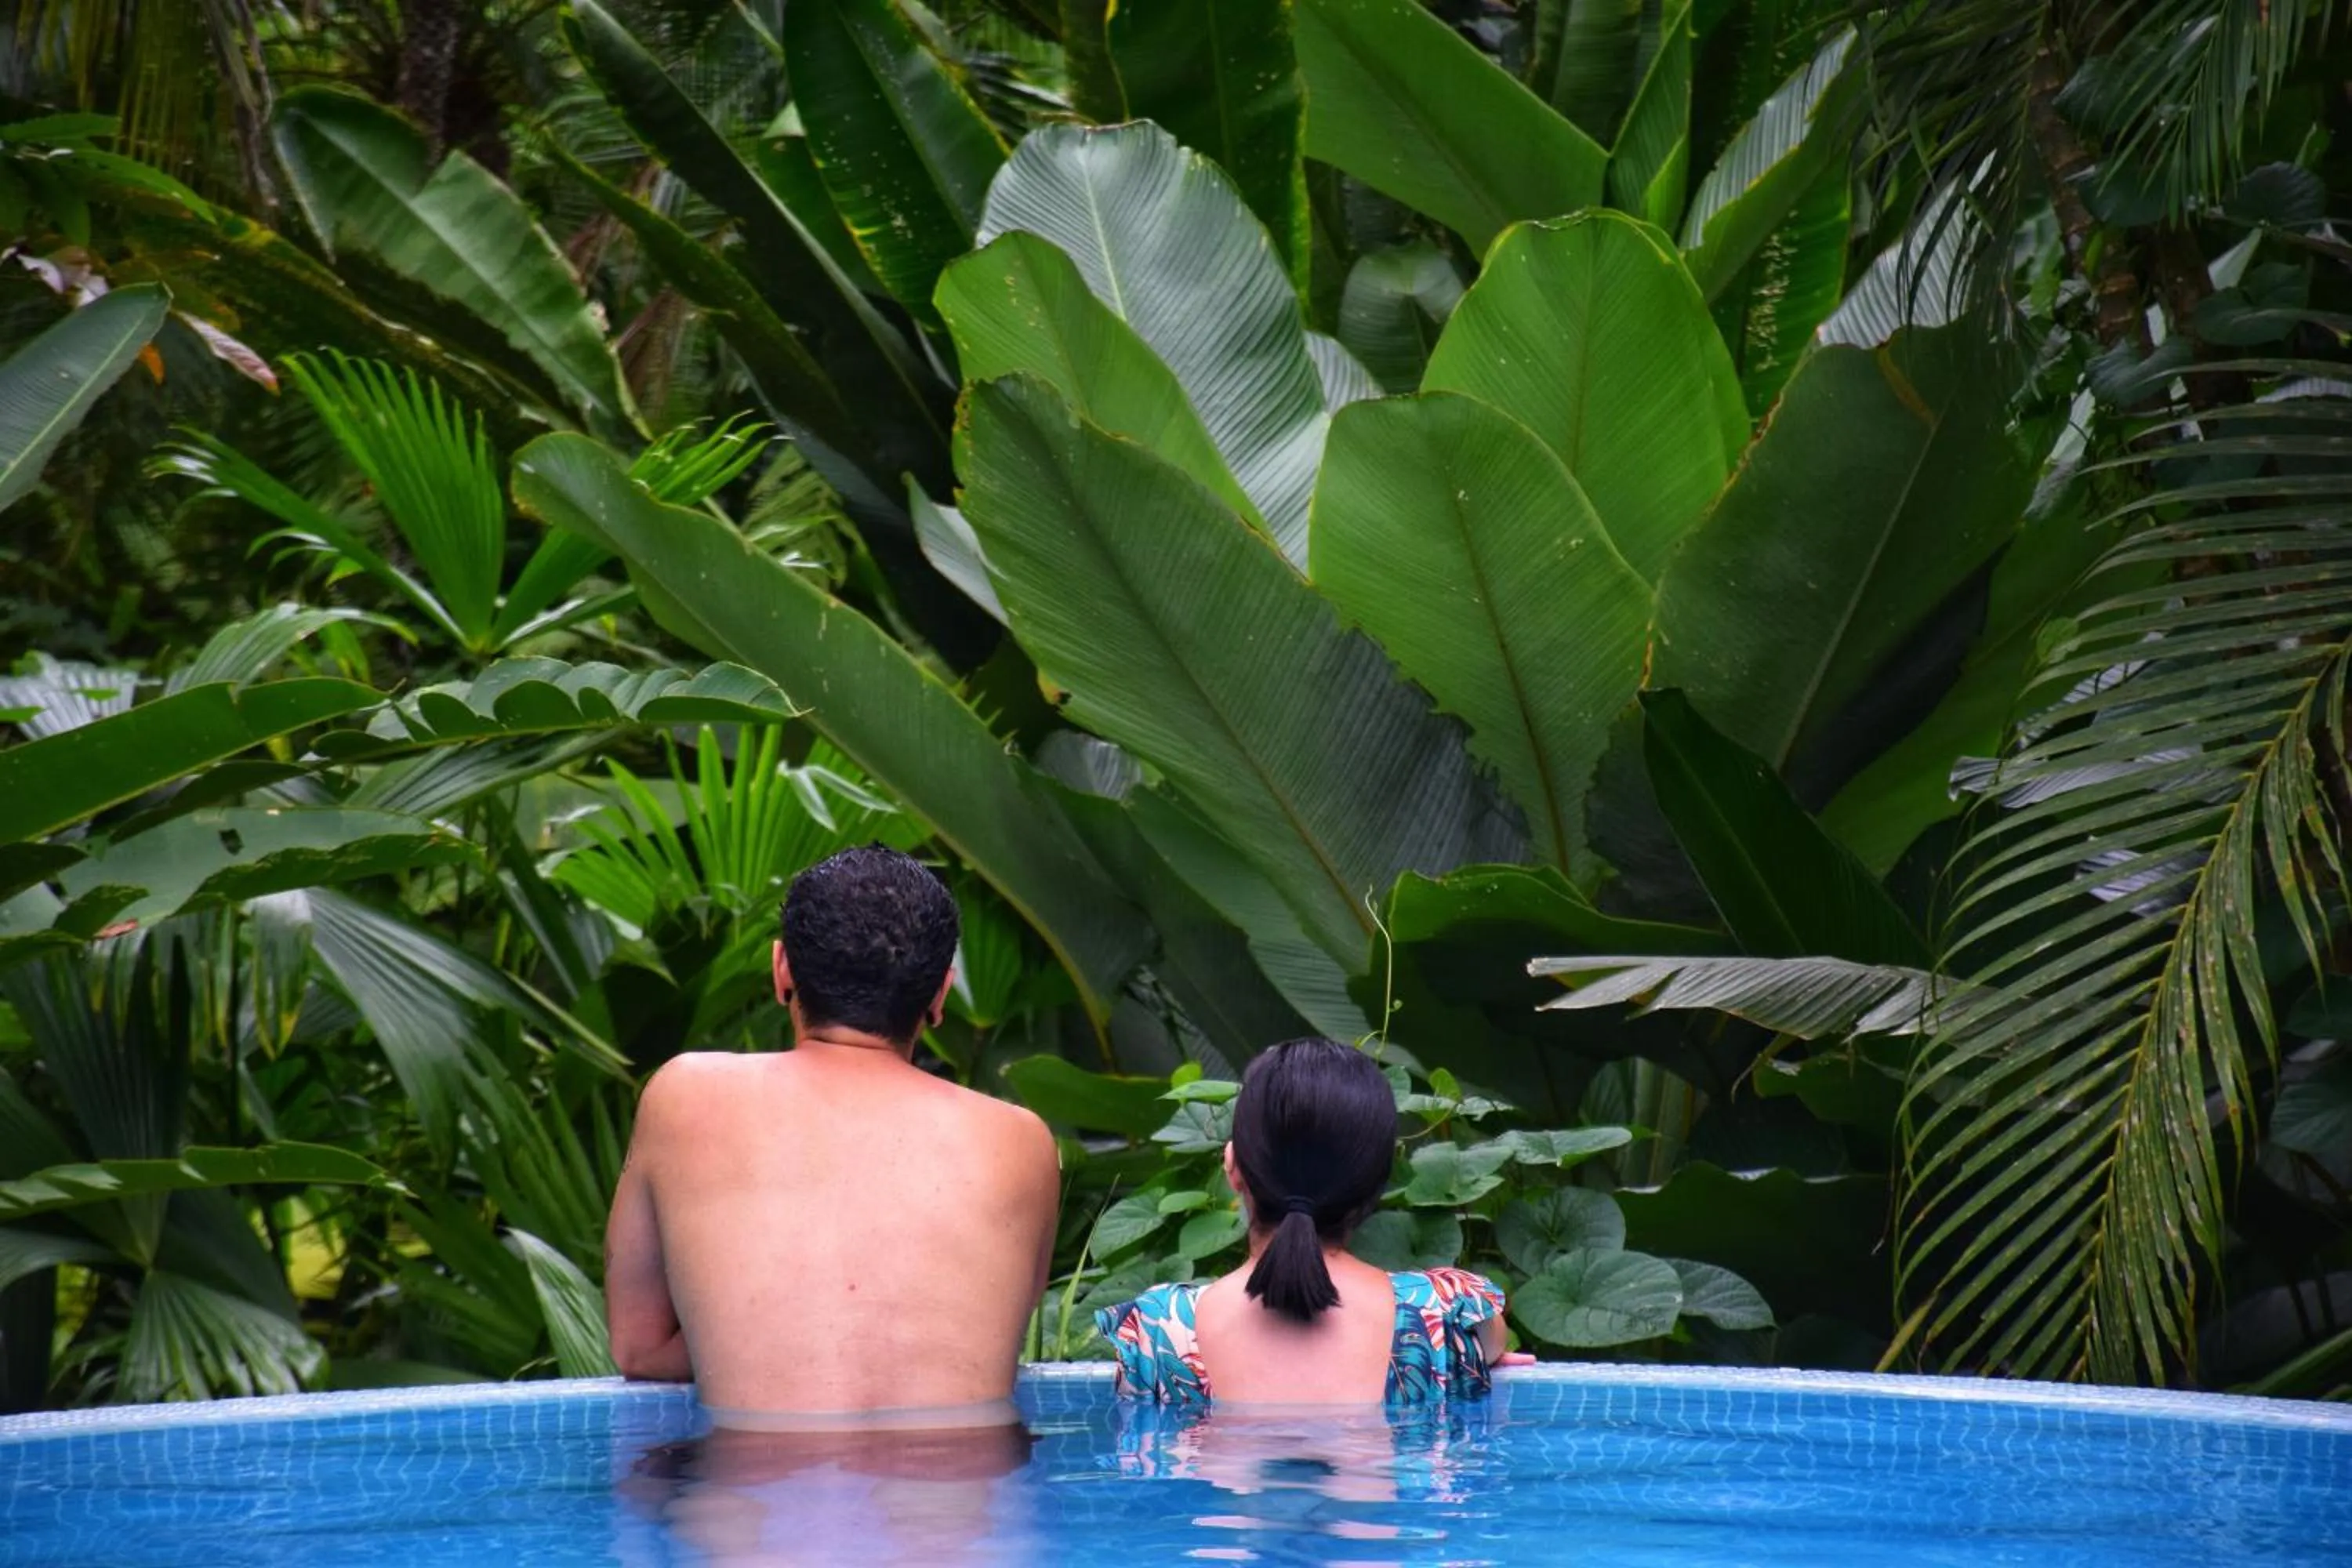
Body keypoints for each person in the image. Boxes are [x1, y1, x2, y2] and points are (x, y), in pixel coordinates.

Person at [604, 844, 1062, 1425]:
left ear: (781, 970)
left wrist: (769, 1345)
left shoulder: (685, 1095)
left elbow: (639, 1349)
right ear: (941, 995)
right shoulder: (1021, 1141)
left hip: (755, 1505)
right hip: (957, 1507)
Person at [1096, 1037, 1516, 1406]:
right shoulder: (1444, 1312)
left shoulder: (1158, 1330)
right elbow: (1489, 1338)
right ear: (1379, 1180)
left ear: (1233, 1165)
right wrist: (1475, 1349)